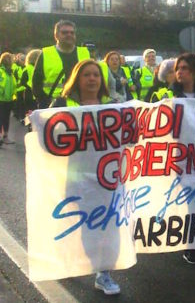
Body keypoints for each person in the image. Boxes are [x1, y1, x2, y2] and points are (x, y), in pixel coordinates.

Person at [48, 59, 120, 295]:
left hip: (107, 177)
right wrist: (37, 122)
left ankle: (103, 272)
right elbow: (47, 136)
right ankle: (71, 259)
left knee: (108, 224)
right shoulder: (62, 104)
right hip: (76, 175)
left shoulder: (113, 105)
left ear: (102, 81)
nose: (92, 79)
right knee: (82, 224)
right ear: (77, 79)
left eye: (96, 75)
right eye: (87, 75)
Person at [155, 53, 195, 265]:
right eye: (178, 68)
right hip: (176, 159)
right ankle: (187, 241)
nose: (180, 72)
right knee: (183, 202)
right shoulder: (166, 96)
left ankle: (194, 245)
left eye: (185, 68)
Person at [32, 20, 104, 109]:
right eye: (64, 32)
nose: (69, 35)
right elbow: (36, 84)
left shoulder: (85, 53)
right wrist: (45, 103)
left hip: (80, 105)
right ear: (56, 36)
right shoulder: (45, 53)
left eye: (72, 33)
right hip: (52, 106)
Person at [0, 53, 16, 148]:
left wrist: (14, 94)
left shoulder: (10, 72)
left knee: (6, 118)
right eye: (11, 59)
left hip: (8, 100)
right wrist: (2, 91)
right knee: (1, 118)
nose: (12, 61)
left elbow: (13, 85)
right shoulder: (0, 71)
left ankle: (5, 137)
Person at [20, 49, 41, 118]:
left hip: (32, 94)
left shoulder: (28, 68)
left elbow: (22, 82)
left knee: (32, 115)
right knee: (36, 116)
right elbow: (22, 82)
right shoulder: (39, 68)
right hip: (34, 95)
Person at [12, 53, 27, 121]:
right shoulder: (17, 69)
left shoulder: (28, 67)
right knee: (20, 104)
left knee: (25, 105)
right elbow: (14, 79)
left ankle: (24, 116)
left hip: (26, 89)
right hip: (19, 89)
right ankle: (21, 117)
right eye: (21, 60)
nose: (22, 61)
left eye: (23, 60)